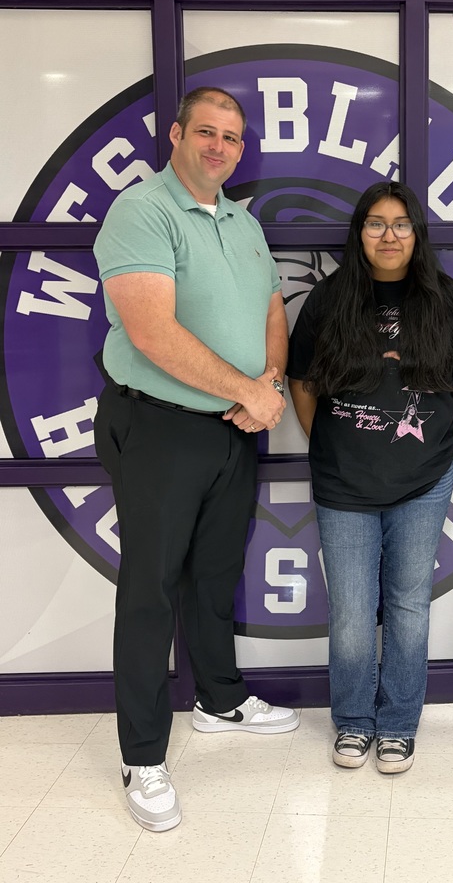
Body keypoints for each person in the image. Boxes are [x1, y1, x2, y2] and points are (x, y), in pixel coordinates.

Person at [94, 87, 299, 832]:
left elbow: (272, 309)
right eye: (206, 132)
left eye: (232, 137)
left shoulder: (243, 221)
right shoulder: (141, 211)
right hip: (159, 425)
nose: (219, 147)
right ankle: (142, 756)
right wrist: (249, 390)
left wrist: (267, 386)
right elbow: (151, 332)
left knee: (214, 573)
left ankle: (219, 699)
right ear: (177, 135)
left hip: (233, 427)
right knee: (150, 590)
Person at [287, 181, 453, 774]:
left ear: (417, 234)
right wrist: (325, 441)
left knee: (409, 607)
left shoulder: (444, 299)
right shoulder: (330, 299)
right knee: (351, 614)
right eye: (376, 224)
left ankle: (398, 725)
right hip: (342, 485)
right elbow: (301, 380)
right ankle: (353, 721)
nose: (389, 236)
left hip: (423, 484)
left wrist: (451, 445)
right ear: (359, 232)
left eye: (401, 224)